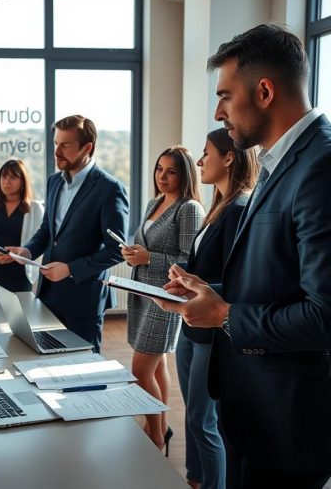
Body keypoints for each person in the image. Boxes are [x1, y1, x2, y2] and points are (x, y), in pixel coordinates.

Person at [156, 24, 331, 488]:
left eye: (225, 96)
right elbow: (275, 285)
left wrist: (223, 314)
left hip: (295, 420)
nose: (218, 111)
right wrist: (209, 294)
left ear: (264, 91)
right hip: (258, 408)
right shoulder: (280, 162)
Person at [174, 128, 257, 489]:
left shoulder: (238, 209)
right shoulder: (218, 207)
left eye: (206, 152)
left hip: (211, 334)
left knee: (202, 422)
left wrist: (196, 287)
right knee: (195, 417)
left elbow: (235, 283)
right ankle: (196, 479)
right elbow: (208, 273)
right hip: (191, 327)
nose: (199, 160)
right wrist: (185, 281)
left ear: (228, 158)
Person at [9, 115, 128, 352]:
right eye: (55, 143)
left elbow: (117, 251)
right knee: (48, 365)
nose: (57, 151)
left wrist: (71, 269)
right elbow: (47, 230)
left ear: (87, 148)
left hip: (84, 300)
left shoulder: (110, 189)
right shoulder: (54, 182)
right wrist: (28, 249)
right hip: (48, 295)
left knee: (83, 373)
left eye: (65, 145)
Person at [121, 146, 204, 453]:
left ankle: (155, 436)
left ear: (184, 174)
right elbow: (144, 248)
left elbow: (187, 261)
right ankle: (162, 427)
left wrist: (148, 258)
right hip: (143, 293)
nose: (163, 176)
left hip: (165, 297)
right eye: (159, 169)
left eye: (171, 171)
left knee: (140, 370)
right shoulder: (153, 203)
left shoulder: (189, 208)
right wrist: (133, 256)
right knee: (157, 367)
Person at [0, 159, 44, 293]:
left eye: (13, 177)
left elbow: (40, 243)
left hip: (20, 272)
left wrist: (17, 256)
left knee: (20, 313)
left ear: (23, 181)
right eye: (4, 176)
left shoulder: (35, 208)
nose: (7, 181)